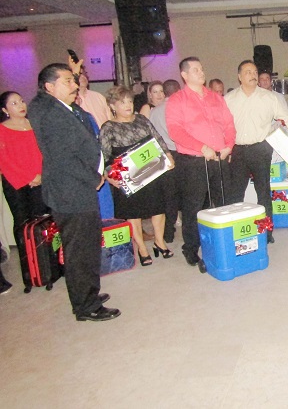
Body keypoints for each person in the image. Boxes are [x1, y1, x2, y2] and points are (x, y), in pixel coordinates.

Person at [29, 63, 120, 321]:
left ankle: (88, 293)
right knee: (80, 251)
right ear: (49, 87)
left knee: (87, 246)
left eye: (74, 80)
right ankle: (86, 306)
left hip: (77, 188)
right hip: (71, 191)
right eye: (67, 81)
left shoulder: (59, 107)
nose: (74, 85)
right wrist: (94, 177)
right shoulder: (50, 113)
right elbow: (63, 158)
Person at [225, 60, 288, 244]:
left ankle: (267, 231)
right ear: (239, 77)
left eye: (255, 71)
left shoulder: (269, 98)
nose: (253, 75)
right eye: (248, 72)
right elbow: (221, 125)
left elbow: (287, 118)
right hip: (237, 151)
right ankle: (235, 230)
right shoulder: (229, 99)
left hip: (260, 149)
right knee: (236, 194)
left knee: (263, 192)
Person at [166, 57, 236, 266]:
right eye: (196, 70)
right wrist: (202, 147)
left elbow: (229, 124)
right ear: (184, 75)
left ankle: (226, 242)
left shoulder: (215, 98)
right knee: (193, 207)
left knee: (225, 202)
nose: (201, 72)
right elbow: (175, 131)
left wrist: (229, 145)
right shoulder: (177, 100)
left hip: (219, 158)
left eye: (202, 68)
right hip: (194, 162)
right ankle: (191, 248)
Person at [100, 86, 175, 266]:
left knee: (158, 208)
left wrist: (168, 155)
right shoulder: (108, 127)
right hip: (126, 174)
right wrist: (109, 176)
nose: (128, 105)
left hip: (151, 169)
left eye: (130, 101)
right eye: (122, 102)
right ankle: (141, 248)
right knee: (133, 212)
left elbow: (158, 138)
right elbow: (103, 155)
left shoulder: (142, 119)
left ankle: (159, 242)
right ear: (113, 106)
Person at [0, 91, 48, 242]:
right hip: (16, 182)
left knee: (41, 220)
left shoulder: (35, 124)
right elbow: (4, 160)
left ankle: (42, 254)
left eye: (21, 101)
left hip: (40, 179)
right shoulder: (2, 129)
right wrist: (28, 177)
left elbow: (45, 151)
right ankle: (26, 255)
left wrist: (41, 175)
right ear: (5, 110)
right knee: (23, 222)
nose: (21, 105)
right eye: (14, 103)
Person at [149, 79, 181, 244]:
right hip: (180, 153)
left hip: (162, 155)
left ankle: (168, 232)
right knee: (185, 192)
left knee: (169, 196)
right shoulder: (180, 107)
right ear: (178, 91)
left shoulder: (154, 112)